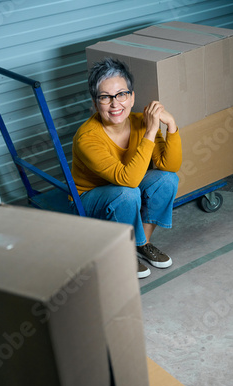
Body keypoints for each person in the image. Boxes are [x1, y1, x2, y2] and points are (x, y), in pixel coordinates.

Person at [71, 58, 182, 278]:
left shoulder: (141, 122)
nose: (115, 104)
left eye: (121, 94)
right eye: (105, 97)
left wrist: (171, 126)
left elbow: (170, 166)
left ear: (132, 97)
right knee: (127, 193)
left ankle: (142, 244)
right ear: (95, 104)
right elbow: (128, 181)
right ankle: (124, 254)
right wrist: (151, 132)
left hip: (124, 190)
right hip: (91, 198)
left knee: (167, 179)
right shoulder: (87, 138)